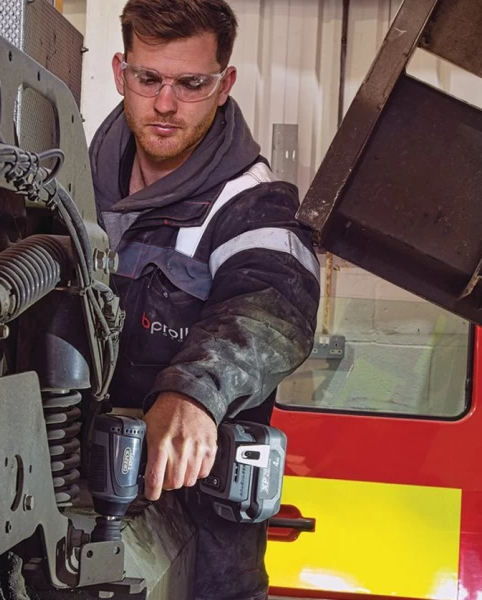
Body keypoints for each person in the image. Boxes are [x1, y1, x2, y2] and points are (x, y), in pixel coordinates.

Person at [89, 1, 320, 598]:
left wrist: (194, 391)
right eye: (149, 79)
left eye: (192, 84)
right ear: (120, 73)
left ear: (225, 85)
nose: (166, 104)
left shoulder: (253, 204)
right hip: (74, 515)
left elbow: (272, 307)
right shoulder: (73, 184)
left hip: (202, 555)